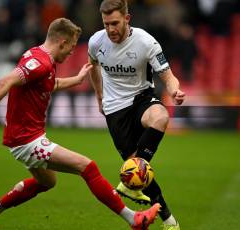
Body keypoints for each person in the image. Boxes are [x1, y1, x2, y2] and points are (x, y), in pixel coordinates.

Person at [0, 18, 160, 230]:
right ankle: (134, 220)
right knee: (88, 167)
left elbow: (50, 83)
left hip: (25, 138)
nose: (71, 53)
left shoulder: (38, 56)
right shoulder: (40, 63)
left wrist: (76, 80)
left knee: (47, 182)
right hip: (26, 141)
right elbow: (6, 81)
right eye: (70, 47)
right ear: (62, 42)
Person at [88, 1, 185, 230]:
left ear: (127, 19)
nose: (110, 29)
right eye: (106, 24)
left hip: (141, 98)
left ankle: (130, 185)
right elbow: (93, 66)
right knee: (140, 174)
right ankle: (170, 221)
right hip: (114, 111)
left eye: (115, 23)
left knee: (160, 117)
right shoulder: (96, 41)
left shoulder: (145, 42)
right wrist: (99, 95)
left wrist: (174, 90)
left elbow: (168, 76)